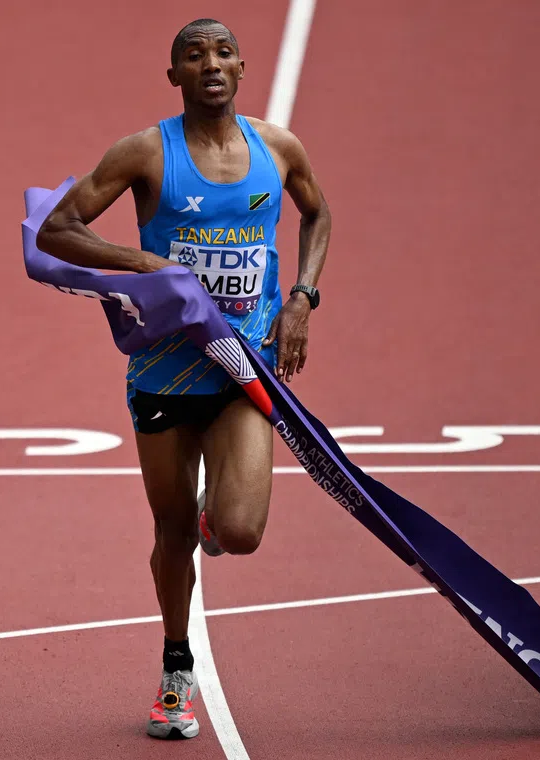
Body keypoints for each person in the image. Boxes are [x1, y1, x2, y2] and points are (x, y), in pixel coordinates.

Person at [35, 18, 332, 738]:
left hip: (242, 364)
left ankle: (213, 519)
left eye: (223, 52)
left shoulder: (278, 147)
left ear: (241, 66)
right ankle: (176, 669)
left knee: (238, 529)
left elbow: (318, 216)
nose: (210, 64)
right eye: (193, 56)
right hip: (164, 373)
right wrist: (140, 262)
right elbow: (55, 228)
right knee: (170, 532)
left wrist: (301, 298)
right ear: (174, 76)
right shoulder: (146, 152)